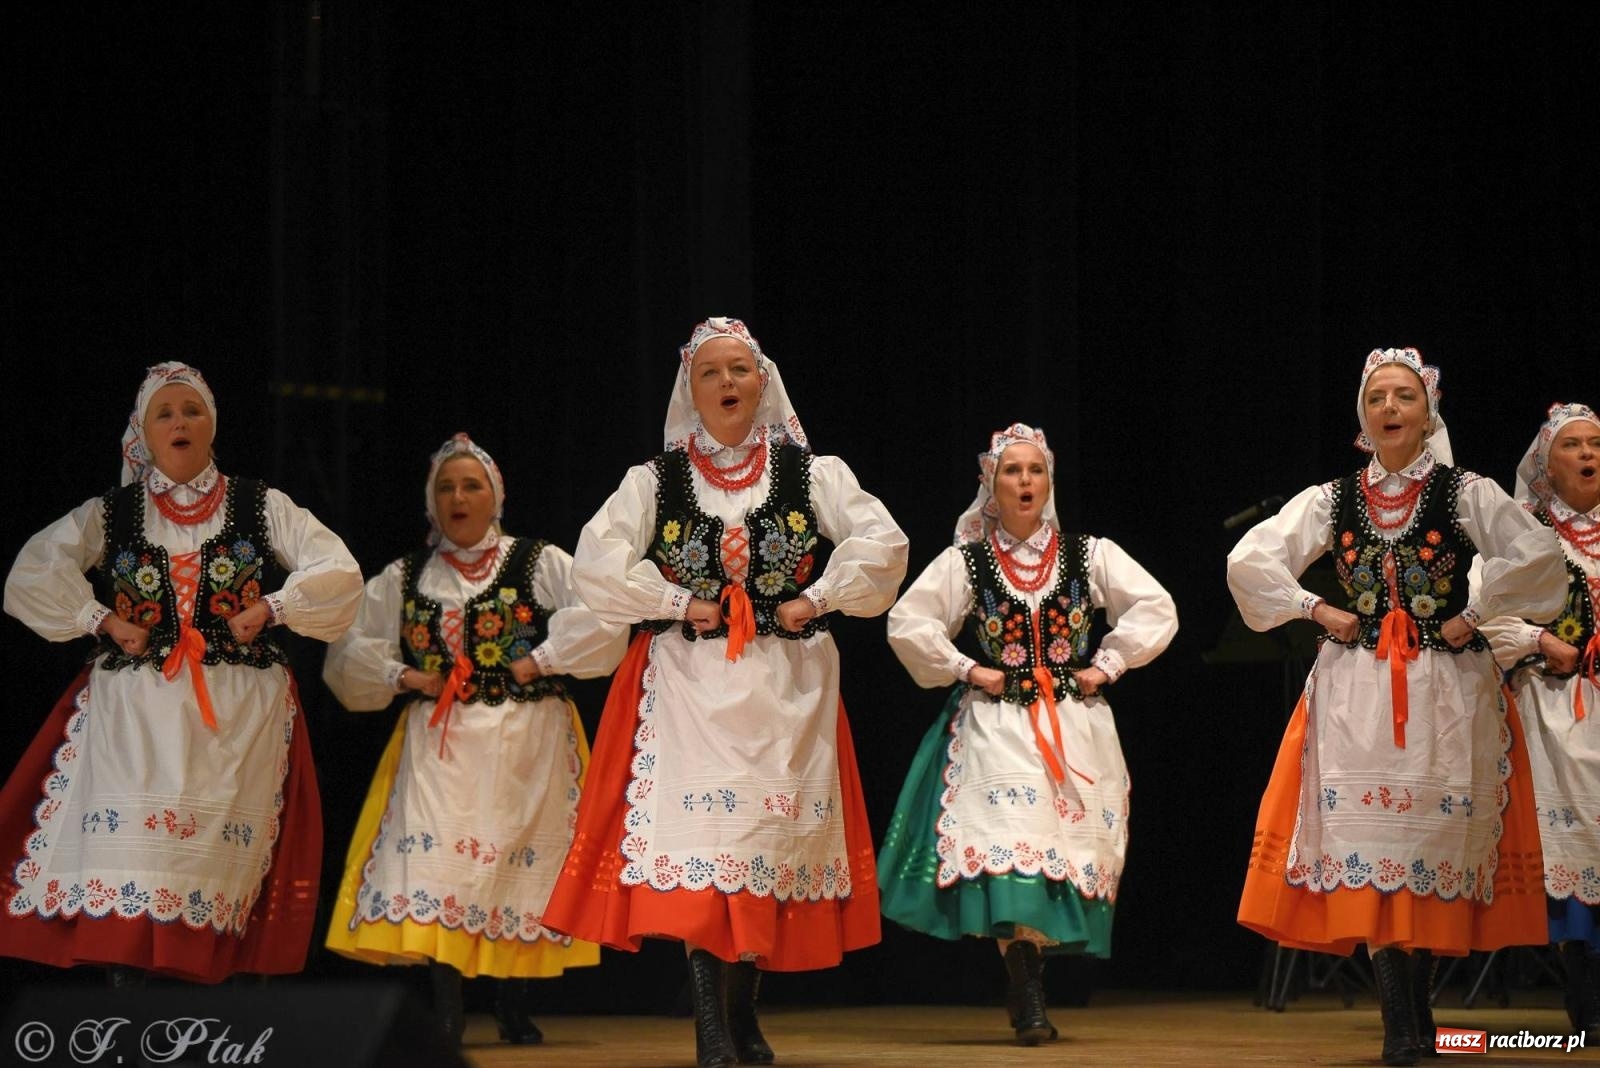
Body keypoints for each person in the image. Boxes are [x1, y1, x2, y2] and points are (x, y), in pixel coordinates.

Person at [541, 317, 908, 1068]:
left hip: (786, 685)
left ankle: (743, 1012)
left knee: (760, 851)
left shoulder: (813, 473)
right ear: (692, 390)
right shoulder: (656, 480)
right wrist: (678, 603)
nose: (727, 384)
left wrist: (819, 597)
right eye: (710, 373)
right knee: (709, 853)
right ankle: (712, 1022)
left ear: (762, 381)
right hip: (689, 681)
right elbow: (598, 562)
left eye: (739, 369)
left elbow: (884, 544)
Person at [1228, 347, 1567, 1066]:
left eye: (1404, 397)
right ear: (1363, 415)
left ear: (1427, 412)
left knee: (1434, 845)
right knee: (1371, 844)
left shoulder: (1465, 492)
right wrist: (1317, 607)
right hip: (1358, 691)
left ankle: (1418, 1013)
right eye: (1377, 397)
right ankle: (1400, 1028)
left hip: (1448, 689)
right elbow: (1251, 561)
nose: (1389, 408)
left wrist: (1475, 615)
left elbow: (1536, 555)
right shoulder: (1334, 497)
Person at [0, 361, 361, 983]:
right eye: (164, 413)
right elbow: (34, 571)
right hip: (135, 711)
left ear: (211, 427)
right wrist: (102, 619)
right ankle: (125, 1003)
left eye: (191, 410)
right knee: (133, 855)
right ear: (144, 431)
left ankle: (194, 1012)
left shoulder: (258, 504)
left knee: (206, 867)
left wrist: (273, 607)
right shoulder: (112, 512)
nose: (180, 422)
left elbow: (339, 569)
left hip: (233, 712)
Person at [323, 433, 626, 1046]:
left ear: (496, 496)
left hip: (527, 738)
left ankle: (511, 1003)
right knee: (442, 871)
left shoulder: (540, 563)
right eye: (446, 487)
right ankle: (448, 1005)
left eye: (472, 485)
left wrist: (539, 660)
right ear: (431, 502)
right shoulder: (405, 576)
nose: (458, 497)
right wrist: (406, 676)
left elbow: (602, 620)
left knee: (518, 869)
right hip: (443, 741)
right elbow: (348, 652)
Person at [878, 422, 1176, 1045]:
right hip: (997, 723)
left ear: (1049, 480)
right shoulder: (969, 561)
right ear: (991, 482)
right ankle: (1028, 991)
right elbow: (910, 622)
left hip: (1072, 723)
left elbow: (1156, 607)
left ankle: (1027, 982)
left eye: (1034, 470)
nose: (1024, 481)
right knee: (1013, 846)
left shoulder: (1088, 554)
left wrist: (1107, 666)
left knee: (1056, 853)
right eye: (1011, 470)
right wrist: (970, 669)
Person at [1475, 402, 1600, 1039]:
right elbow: (1482, 611)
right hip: (1552, 707)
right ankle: (1586, 999)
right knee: (1572, 847)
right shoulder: (1522, 532)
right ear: (1546, 465)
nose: (1589, 454)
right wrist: (1541, 640)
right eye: (1574, 444)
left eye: (1596, 443)